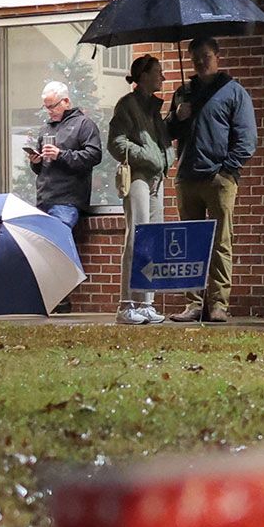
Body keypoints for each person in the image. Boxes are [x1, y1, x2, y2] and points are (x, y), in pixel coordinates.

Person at [170, 35, 259, 322]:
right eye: (195, 57)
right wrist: (176, 117)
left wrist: (227, 169)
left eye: (205, 56)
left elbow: (247, 139)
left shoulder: (233, 92)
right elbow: (166, 132)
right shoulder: (183, 92)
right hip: (187, 177)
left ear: (217, 56)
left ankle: (219, 303)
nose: (199, 62)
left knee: (221, 242)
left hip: (219, 179)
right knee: (190, 244)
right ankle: (193, 303)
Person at [109, 53, 174, 326]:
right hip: (138, 176)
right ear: (143, 75)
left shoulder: (153, 108)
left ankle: (146, 302)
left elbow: (160, 142)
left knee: (152, 239)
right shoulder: (127, 105)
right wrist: (146, 157)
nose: (163, 76)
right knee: (136, 236)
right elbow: (116, 142)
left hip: (157, 180)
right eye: (158, 71)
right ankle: (126, 304)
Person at [27, 80, 103, 240]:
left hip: (67, 200)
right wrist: (36, 162)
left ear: (66, 101)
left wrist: (60, 155)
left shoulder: (84, 124)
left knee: (58, 242)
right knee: (46, 246)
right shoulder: (46, 128)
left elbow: (94, 155)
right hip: (43, 199)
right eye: (46, 107)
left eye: (52, 106)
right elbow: (41, 169)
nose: (49, 111)